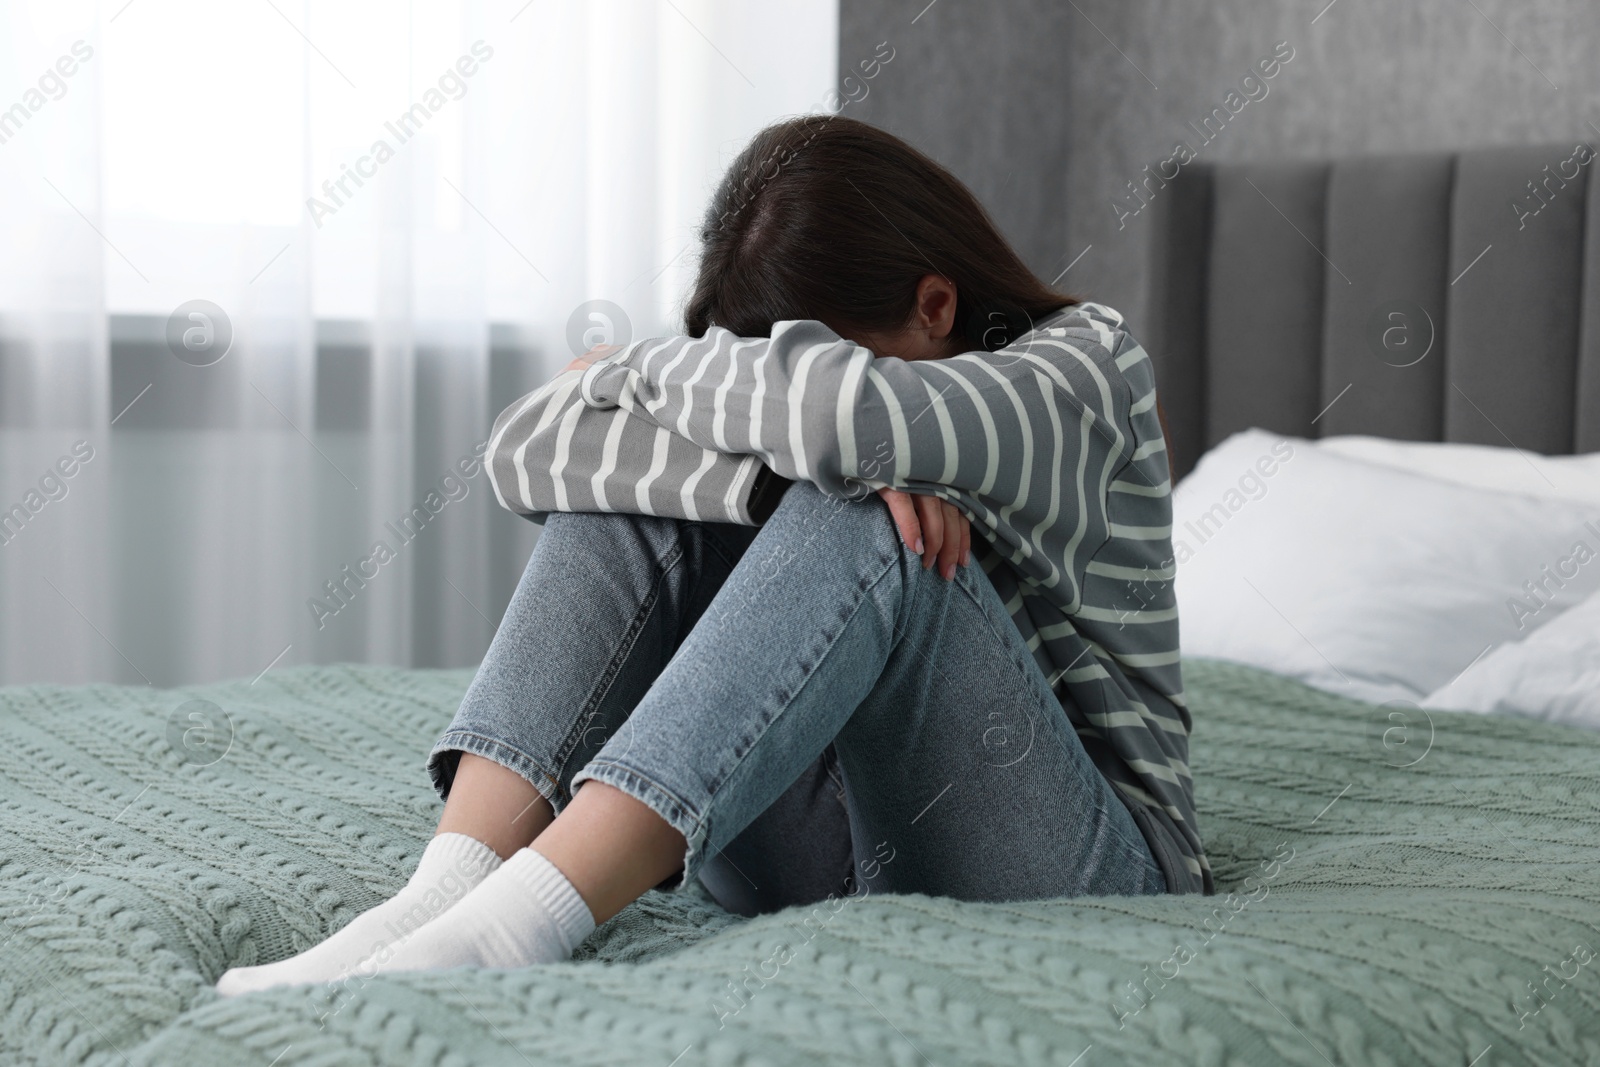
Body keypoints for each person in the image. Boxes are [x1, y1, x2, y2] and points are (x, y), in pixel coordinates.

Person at [217, 114, 1208, 996]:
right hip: (823, 835)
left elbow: (836, 415)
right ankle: (449, 887)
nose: (765, 390)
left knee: (859, 510)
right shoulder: (774, 391)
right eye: (752, 364)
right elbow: (521, 449)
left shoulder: (1087, 367)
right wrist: (768, 462)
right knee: (632, 492)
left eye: (787, 362)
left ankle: (519, 923)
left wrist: (634, 373)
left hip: (1081, 855)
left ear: (935, 307)